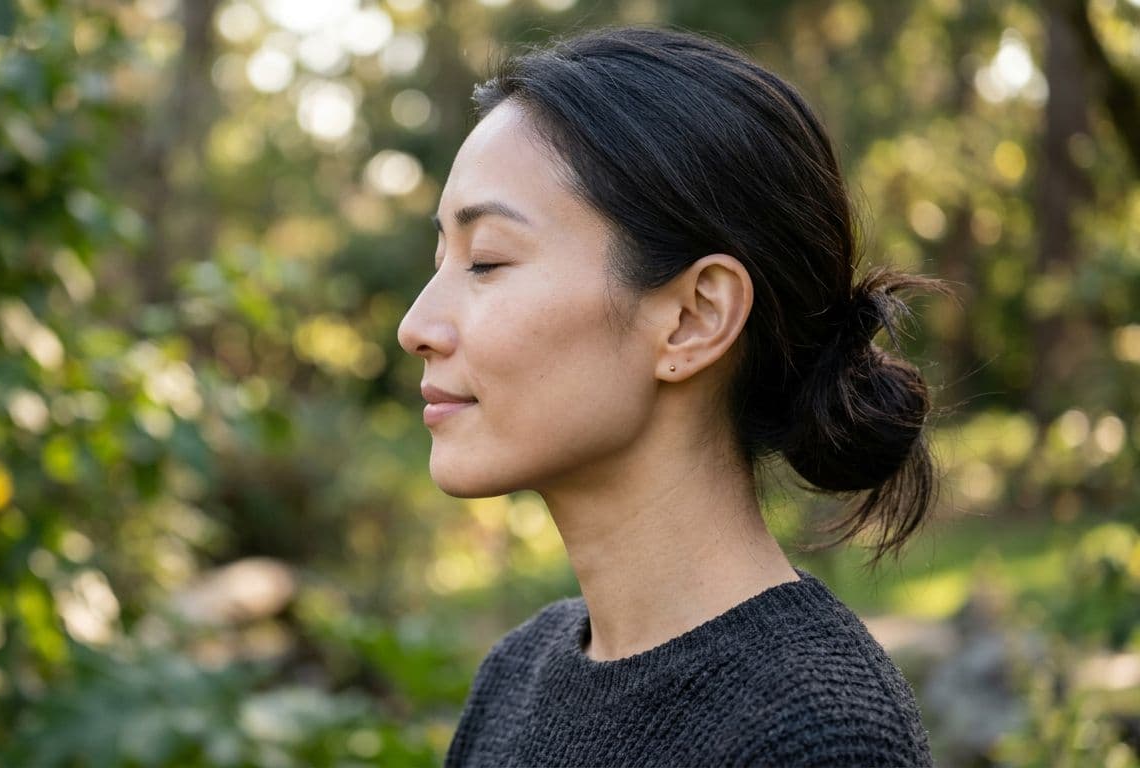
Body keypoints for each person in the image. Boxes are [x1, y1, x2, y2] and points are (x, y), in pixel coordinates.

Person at [396, 24, 949, 768]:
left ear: (694, 318)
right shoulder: (516, 677)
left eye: (486, 261)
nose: (416, 326)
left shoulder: (818, 737)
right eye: (442, 260)